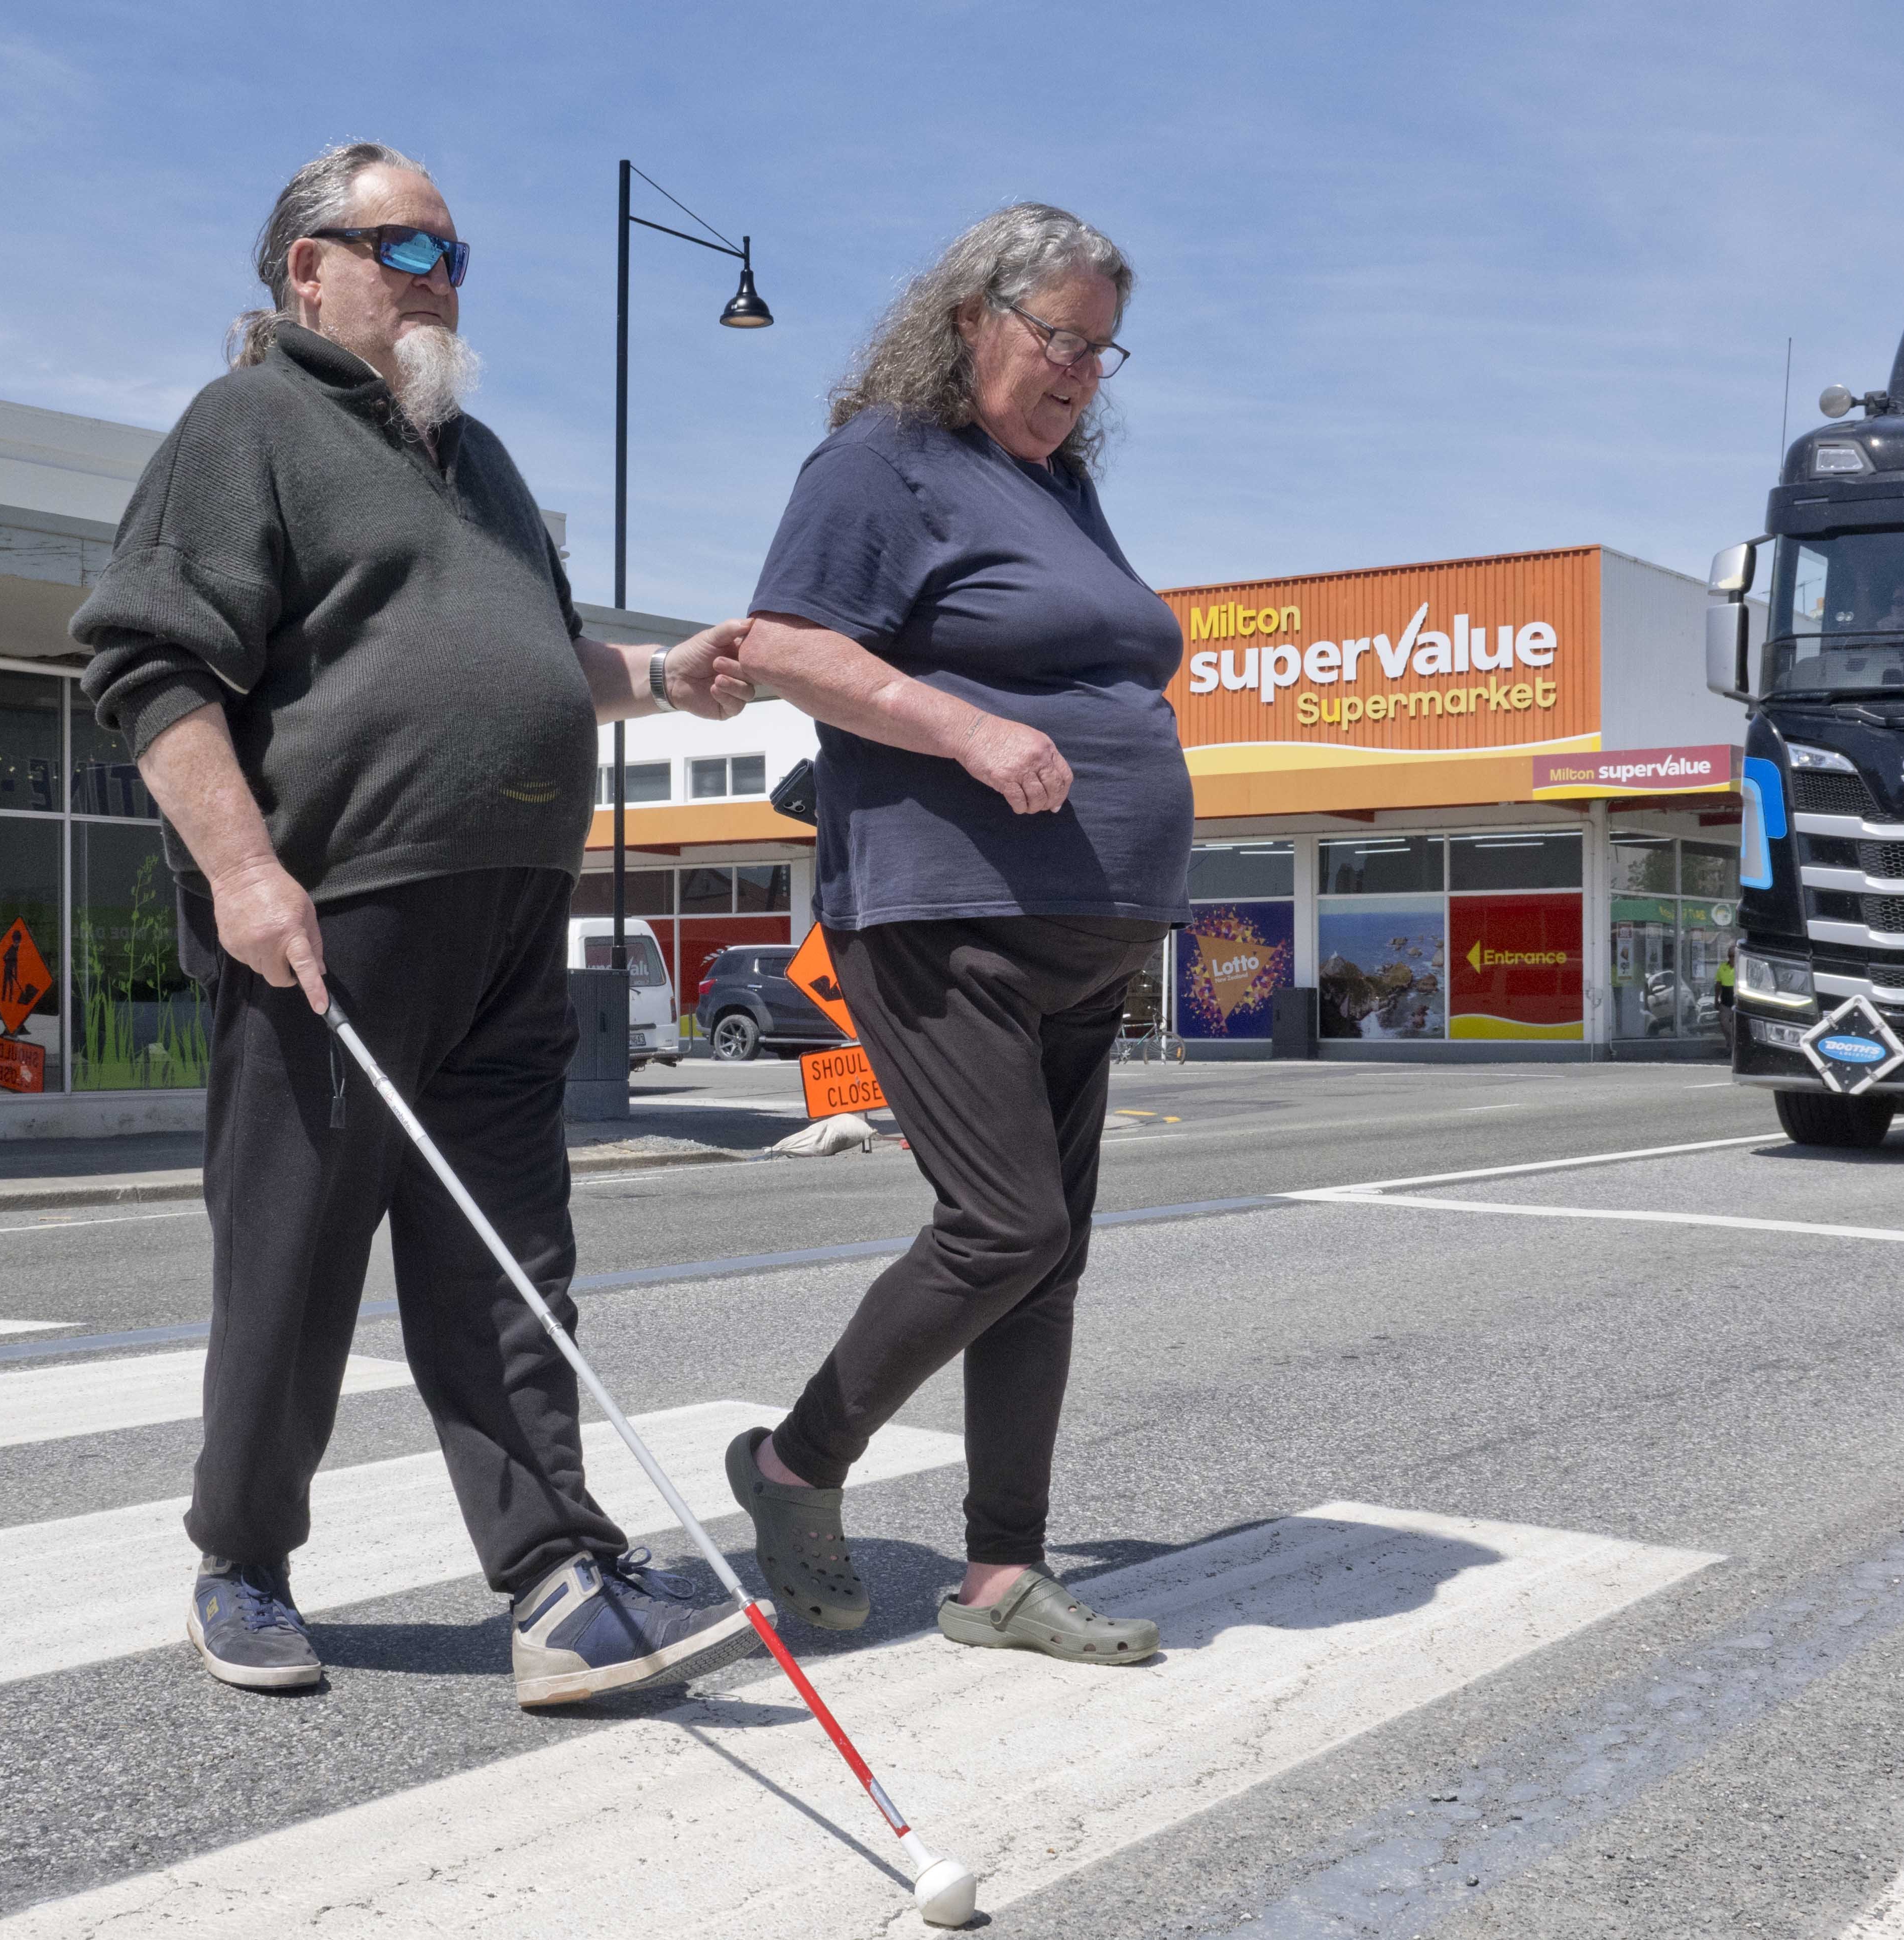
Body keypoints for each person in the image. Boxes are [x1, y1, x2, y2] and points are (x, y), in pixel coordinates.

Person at [75, 140, 764, 1708]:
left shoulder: (481, 460)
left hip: (517, 909)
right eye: (409, 248)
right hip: (337, 918)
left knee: (512, 1258)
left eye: (456, 253)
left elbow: (542, 646)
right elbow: (148, 664)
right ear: (305, 269)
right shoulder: (246, 426)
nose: (442, 279)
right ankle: (241, 1557)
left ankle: (558, 1579)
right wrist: (247, 874)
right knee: (295, 1258)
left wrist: (662, 677)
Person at [718, 203, 1184, 1668]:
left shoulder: (1054, 488)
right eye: (1062, 337)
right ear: (974, 315)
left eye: (1105, 349)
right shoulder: (885, 460)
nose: (1082, 373)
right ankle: (796, 1461)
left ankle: (1001, 1570)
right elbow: (784, 646)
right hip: (944, 916)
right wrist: (969, 728)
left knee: (1050, 1263)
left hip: (1077, 938)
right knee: (1007, 1226)